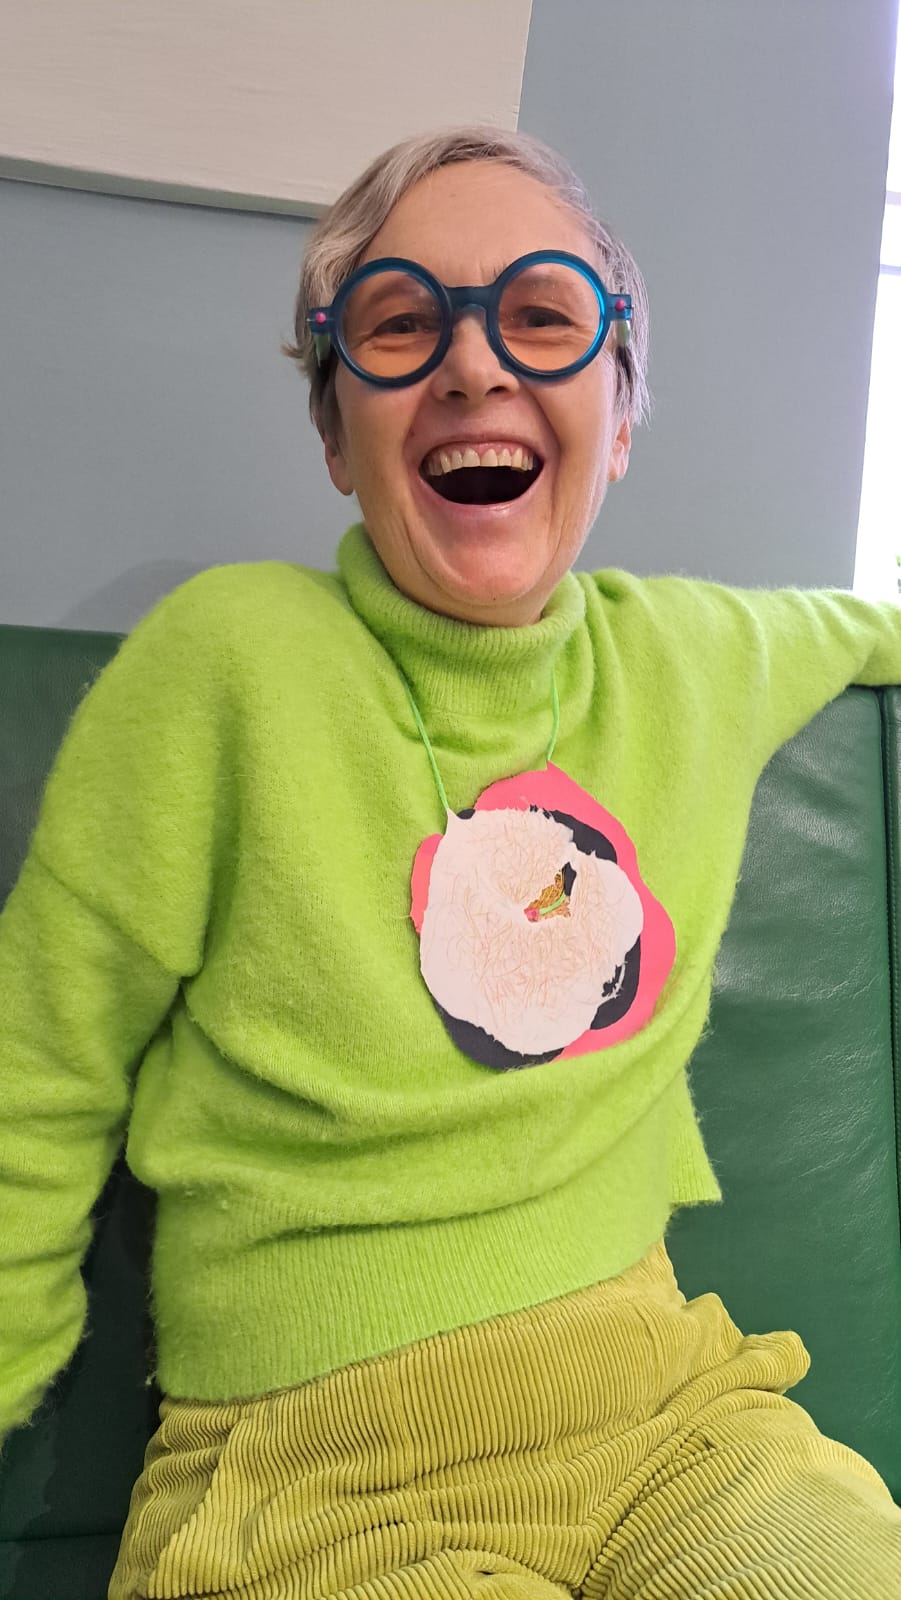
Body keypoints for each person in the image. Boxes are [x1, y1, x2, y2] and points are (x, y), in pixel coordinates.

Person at [0, 126, 899, 1600]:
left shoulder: (694, 655)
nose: (475, 365)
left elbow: (866, 626)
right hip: (315, 1481)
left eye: (541, 315)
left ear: (619, 417)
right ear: (335, 435)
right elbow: (34, 1072)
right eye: (402, 321)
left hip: (672, 1421)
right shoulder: (228, 662)